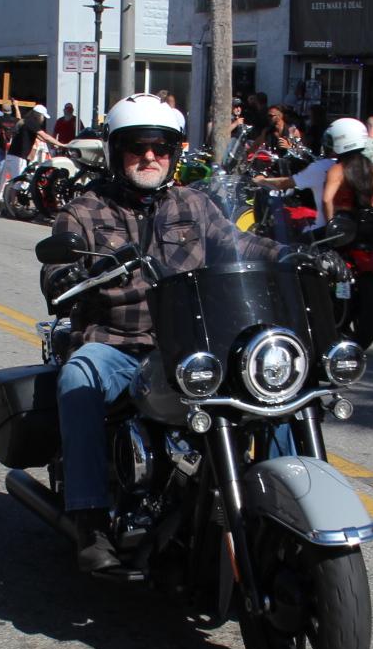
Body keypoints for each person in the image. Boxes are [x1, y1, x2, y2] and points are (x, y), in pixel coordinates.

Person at [39, 93, 277, 573]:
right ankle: (90, 520)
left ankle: (278, 502)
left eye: (161, 148)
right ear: (116, 152)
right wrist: (66, 276)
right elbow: (56, 270)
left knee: (269, 383)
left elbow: (240, 244)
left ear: (173, 153)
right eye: (137, 147)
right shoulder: (84, 210)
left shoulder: (195, 204)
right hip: (118, 345)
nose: (150, 157)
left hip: (192, 344)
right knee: (78, 378)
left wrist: (297, 255)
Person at [0, 103, 63, 202]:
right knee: (18, 183)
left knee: (15, 181)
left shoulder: (26, 122)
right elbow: (45, 136)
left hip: (12, 155)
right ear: (39, 115)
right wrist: (62, 144)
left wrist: (54, 144)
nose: (43, 119)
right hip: (18, 157)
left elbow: (41, 138)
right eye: (43, 117)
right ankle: (12, 205)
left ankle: (9, 204)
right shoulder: (32, 123)